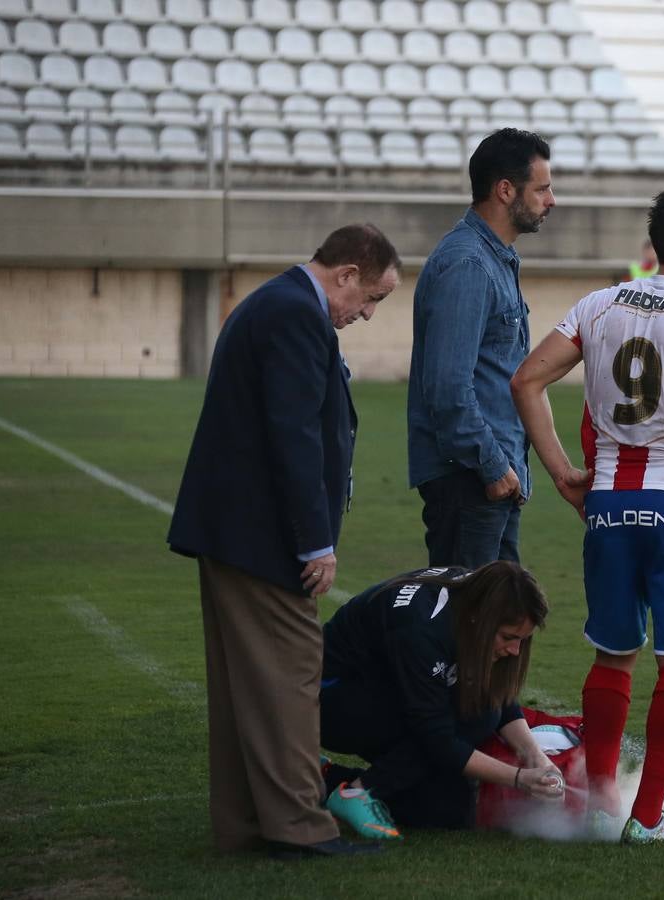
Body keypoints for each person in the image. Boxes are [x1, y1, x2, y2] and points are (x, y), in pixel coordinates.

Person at [511, 184, 664, 843]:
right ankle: (647, 820)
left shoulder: (597, 305)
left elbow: (526, 380)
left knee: (612, 656)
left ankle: (600, 806)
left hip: (609, 504)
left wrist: (562, 472)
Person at [167, 224, 403, 860]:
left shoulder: (277, 303)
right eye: (370, 297)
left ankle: (248, 823)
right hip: (263, 539)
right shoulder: (297, 313)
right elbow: (293, 436)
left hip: (238, 533)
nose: (368, 313)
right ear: (347, 273)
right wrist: (314, 543)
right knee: (293, 675)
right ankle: (298, 827)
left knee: (247, 685)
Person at [319, 562, 564, 837]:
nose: (516, 650)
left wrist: (535, 756)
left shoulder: (471, 599)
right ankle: (358, 792)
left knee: (449, 809)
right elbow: (437, 736)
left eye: (523, 639)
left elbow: (497, 698)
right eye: (508, 637)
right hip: (331, 699)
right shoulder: (421, 627)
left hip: (384, 691)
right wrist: (518, 779)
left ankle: (325, 778)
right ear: (481, 619)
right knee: (475, 718)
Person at [407, 127, 556, 570]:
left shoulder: (494, 258)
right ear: (505, 190)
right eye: (542, 188)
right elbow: (449, 389)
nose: (551, 200)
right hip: (471, 480)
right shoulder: (468, 265)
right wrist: (493, 466)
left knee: (499, 628)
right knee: (468, 629)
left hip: (491, 477)